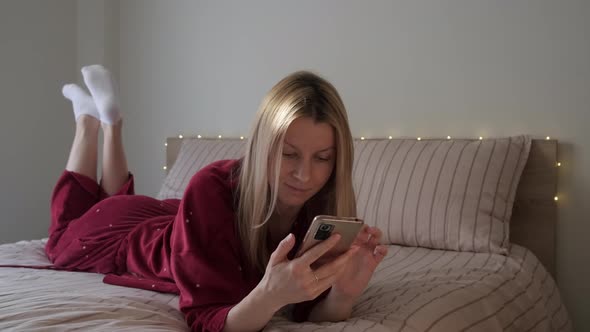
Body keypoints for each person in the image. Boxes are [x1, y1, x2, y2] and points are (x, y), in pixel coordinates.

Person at [47, 65, 389, 332]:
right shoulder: (211, 186)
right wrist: (269, 296)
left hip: (175, 219)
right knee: (62, 238)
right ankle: (90, 123)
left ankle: (110, 121)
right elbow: (207, 319)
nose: (305, 175)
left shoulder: (327, 202)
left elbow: (307, 311)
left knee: (111, 199)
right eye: (288, 154)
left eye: (323, 158)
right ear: (261, 147)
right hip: (128, 231)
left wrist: (345, 292)